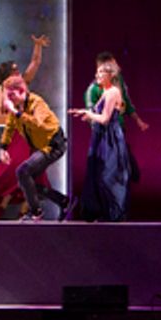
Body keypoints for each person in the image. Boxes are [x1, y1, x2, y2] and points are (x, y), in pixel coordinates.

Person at [1, 76, 69, 222]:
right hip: (40, 147)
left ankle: (36, 212)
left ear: (22, 91)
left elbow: (38, 124)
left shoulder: (37, 103)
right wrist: (3, 147)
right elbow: (9, 127)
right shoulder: (16, 107)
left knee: (23, 171)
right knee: (25, 181)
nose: (8, 99)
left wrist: (17, 113)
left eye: (11, 95)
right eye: (7, 96)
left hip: (54, 144)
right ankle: (63, 201)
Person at [70, 60, 131, 222]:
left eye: (101, 72)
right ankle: (99, 213)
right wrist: (83, 112)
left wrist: (88, 114)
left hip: (109, 138)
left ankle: (114, 214)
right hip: (101, 137)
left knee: (107, 176)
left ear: (110, 75)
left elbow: (104, 118)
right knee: (97, 174)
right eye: (97, 72)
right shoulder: (106, 92)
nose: (97, 75)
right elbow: (96, 112)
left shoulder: (112, 93)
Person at [82, 52, 150, 133]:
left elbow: (126, 102)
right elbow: (92, 116)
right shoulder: (93, 90)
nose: (117, 67)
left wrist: (138, 121)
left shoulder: (118, 81)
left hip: (119, 129)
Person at [0, 35, 49, 114]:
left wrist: (38, 45)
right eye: (14, 70)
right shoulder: (0, 95)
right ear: (7, 74)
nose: (17, 72)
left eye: (17, 69)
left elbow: (35, 62)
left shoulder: (22, 82)